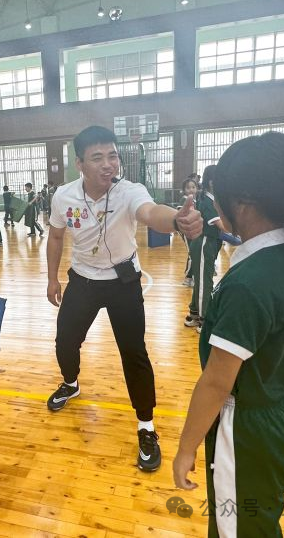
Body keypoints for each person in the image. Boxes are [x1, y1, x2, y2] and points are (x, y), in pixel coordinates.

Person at [172, 131, 284, 537]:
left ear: (244, 204)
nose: (213, 204)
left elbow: (216, 382)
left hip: (246, 433)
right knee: (257, 523)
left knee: (238, 531)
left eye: (218, 195)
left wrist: (185, 448)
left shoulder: (248, 282)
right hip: (279, 413)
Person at [46, 125, 203, 472]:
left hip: (123, 283)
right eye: (97, 157)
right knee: (65, 342)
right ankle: (70, 383)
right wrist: (51, 278)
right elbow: (56, 237)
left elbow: (150, 213)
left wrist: (176, 220)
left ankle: (146, 426)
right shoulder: (64, 197)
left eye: (112, 156)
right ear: (80, 164)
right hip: (82, 281)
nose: (108, 164)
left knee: (134, 354)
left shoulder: (130, 191)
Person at [185, 166, 229, 332]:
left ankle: (194, 314)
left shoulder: (211, 200)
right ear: (211, 182)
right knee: (205, 281)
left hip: (208, 243)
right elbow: (222, 226)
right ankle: (204, 319)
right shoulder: (208, 202)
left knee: (202, 279)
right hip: (204, 243)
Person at [179, 178, 199, 288]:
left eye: (193, 187)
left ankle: (192, 276)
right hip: (186, 231)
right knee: (192, 253)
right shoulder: (184, 200)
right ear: (184, 190)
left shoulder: (196, 201)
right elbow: (180, 214)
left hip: (194, 230)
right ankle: (188, 277)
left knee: (194, 252)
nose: (191, 189)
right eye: (188, 188)